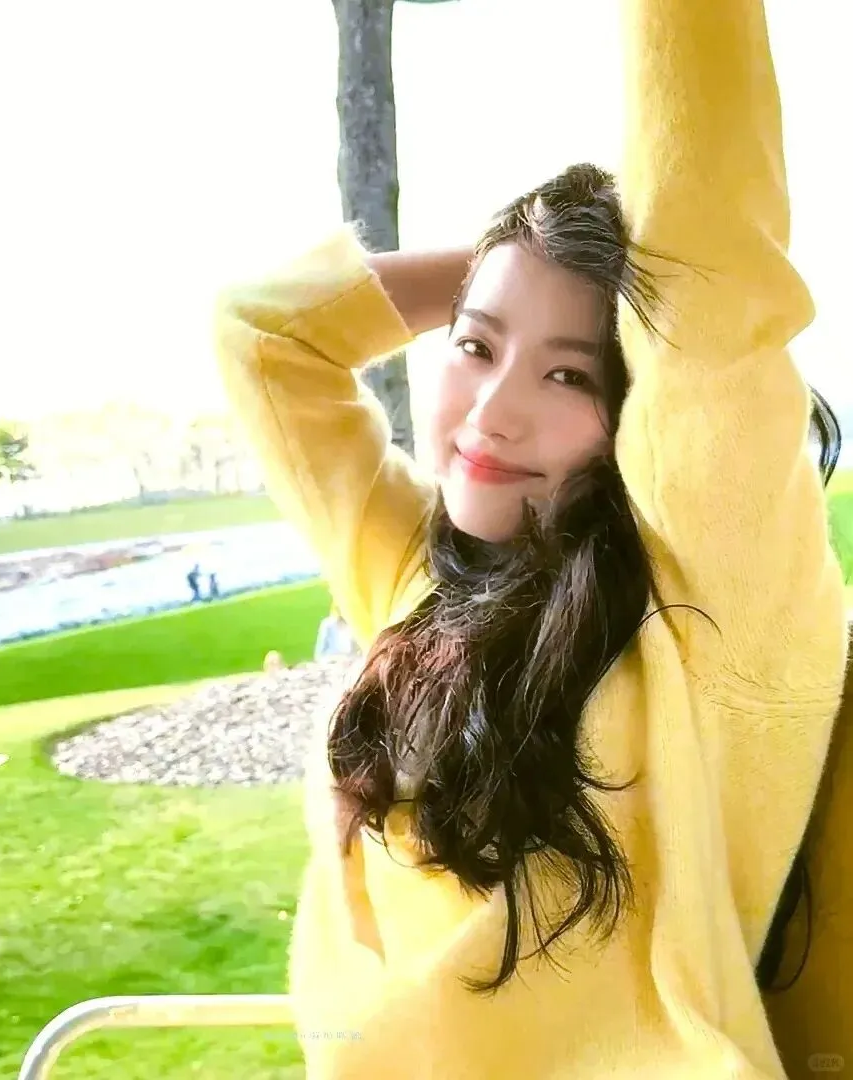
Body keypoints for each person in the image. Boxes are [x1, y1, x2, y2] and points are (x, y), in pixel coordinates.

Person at [212, 1, 847, 1075]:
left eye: (566, 373)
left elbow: (712, 274)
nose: (491, 412)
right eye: (475, 347)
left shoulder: (708, 611)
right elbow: (261, 336)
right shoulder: (411, 572)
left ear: (645, 407)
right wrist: (519, 257)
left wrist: (580, 280)